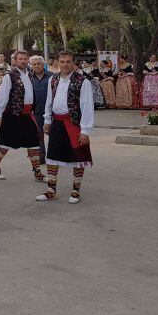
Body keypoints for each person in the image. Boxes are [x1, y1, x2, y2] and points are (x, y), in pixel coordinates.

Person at [39, 50, 94, 204]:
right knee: (52, 156)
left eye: (68, 61)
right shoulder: (53, 80)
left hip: (74, 124)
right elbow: (49, 101)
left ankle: (76, 191)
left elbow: (87, 107)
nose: (65, 65)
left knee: (78, 158)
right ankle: (51, 190)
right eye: (62, 61)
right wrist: (47, 120)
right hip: (56, 123)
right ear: (57, 62)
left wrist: (85, 130)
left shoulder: (83, 81)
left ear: (74, 63)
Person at [0, 50, 44, 182]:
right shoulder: (10, 76)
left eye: (25, 59)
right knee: (6, 144)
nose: (23, 61)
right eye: (20, 59)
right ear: (15, 61)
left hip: (27, 115)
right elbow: (2, 96)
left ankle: (37, 172)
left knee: (34, 144)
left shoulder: (31, 75)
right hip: (13, 115)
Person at [29, 55, 53, 175]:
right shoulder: (29, 78)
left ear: (43, 64)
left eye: (39, 63)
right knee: (39, 135)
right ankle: (41, 157)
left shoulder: (52, 76)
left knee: (53, 134)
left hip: (52, 111)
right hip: (36, 111)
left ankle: (55, 157)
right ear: (31, 66)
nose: (36, 66)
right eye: (34, 64)